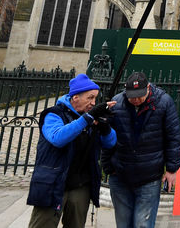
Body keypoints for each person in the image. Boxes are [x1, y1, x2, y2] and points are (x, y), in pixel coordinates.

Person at [27, 73, 117, 228]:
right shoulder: (53, 114)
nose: (93, 102)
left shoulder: (89, 117)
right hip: (53, 184)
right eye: (90, 98)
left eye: (95, 98)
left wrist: (105, 127)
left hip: (80, 185)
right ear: (75, 97)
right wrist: (87, 118)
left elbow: (110, 143)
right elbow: (58, 138)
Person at [102, 71, 180, 228]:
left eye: (140, 95)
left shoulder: (164, 102)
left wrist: (172, 169)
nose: (136, 100)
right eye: (132, 96)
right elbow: (107, 137)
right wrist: (108, 167)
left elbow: (173, 137)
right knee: (123, 224)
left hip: (149, 176)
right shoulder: (116, 103)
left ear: (148, 89)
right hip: (120, 174)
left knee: (142, 224)